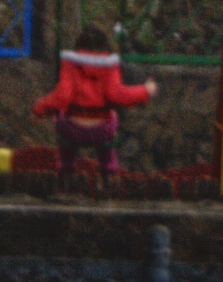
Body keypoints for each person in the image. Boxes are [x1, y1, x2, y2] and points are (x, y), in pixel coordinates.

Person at [33, 30, 155, 176]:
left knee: (60, 116)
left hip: (72, 129)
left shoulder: (70, 64)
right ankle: (108, 168)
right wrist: (145, 91)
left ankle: (65, 166)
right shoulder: (109, 65)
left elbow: (62, 97)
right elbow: (116, 95)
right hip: (101, 130)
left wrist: (39, 108)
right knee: (112, 117)